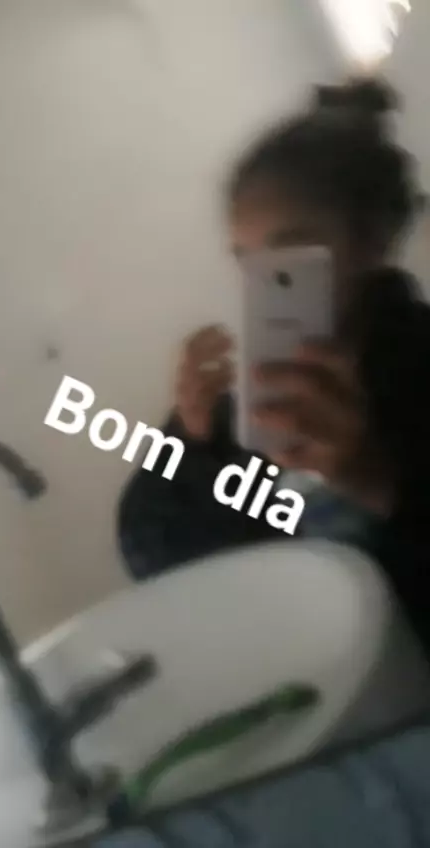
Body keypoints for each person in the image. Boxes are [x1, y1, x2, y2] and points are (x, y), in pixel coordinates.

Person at [117, 78, 430, 652]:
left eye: (292, 251)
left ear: (371, 243)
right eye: (248, 261)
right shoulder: (244, 396)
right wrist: (191, 440)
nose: (268, 283)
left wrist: (377, 481)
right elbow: (151, 553)